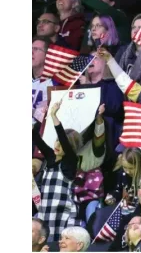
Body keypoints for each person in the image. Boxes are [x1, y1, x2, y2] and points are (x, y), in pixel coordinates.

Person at [32, 101, 81, 241]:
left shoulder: (70, 162)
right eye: (56, 141)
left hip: (62, 216)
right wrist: (37, 118)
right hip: (45, 213)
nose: (57, 145)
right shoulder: (50, 158)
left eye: (61, 143)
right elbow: (36, 138)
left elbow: (63, 139)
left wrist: (54, 115)